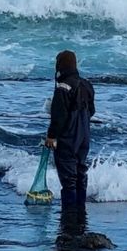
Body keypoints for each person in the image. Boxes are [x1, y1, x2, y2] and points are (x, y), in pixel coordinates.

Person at [44, 49, 95, 208]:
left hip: (68, 138)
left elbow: (58, 118)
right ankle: (81, 211)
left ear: (60, 66)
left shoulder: (62, 88)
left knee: (68, 180)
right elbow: (92, 111)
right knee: (80, 173)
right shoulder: (86, 85)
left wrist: (51, 137)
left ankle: (69, 216)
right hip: (84, 136)